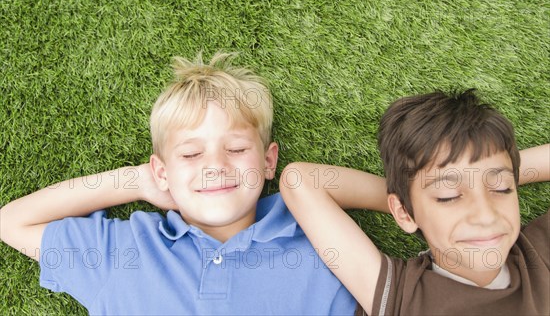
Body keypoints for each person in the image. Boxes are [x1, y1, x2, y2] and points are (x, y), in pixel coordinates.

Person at [0, 53, 356, 315]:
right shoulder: (126, 252)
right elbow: (12, 221)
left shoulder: (316, 237)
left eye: (235, 148)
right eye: (190, 155)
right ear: (162, 172)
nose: (215, 165)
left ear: (268, 161)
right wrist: (136, 180)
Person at [280, 89, 549, 315]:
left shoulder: (539, 254)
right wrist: (411, 201)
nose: (485, 215)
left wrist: (489, 172)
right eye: (449, 196)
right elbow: (300, 181)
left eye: (502, 189)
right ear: (404, 214)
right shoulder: (400, 295)